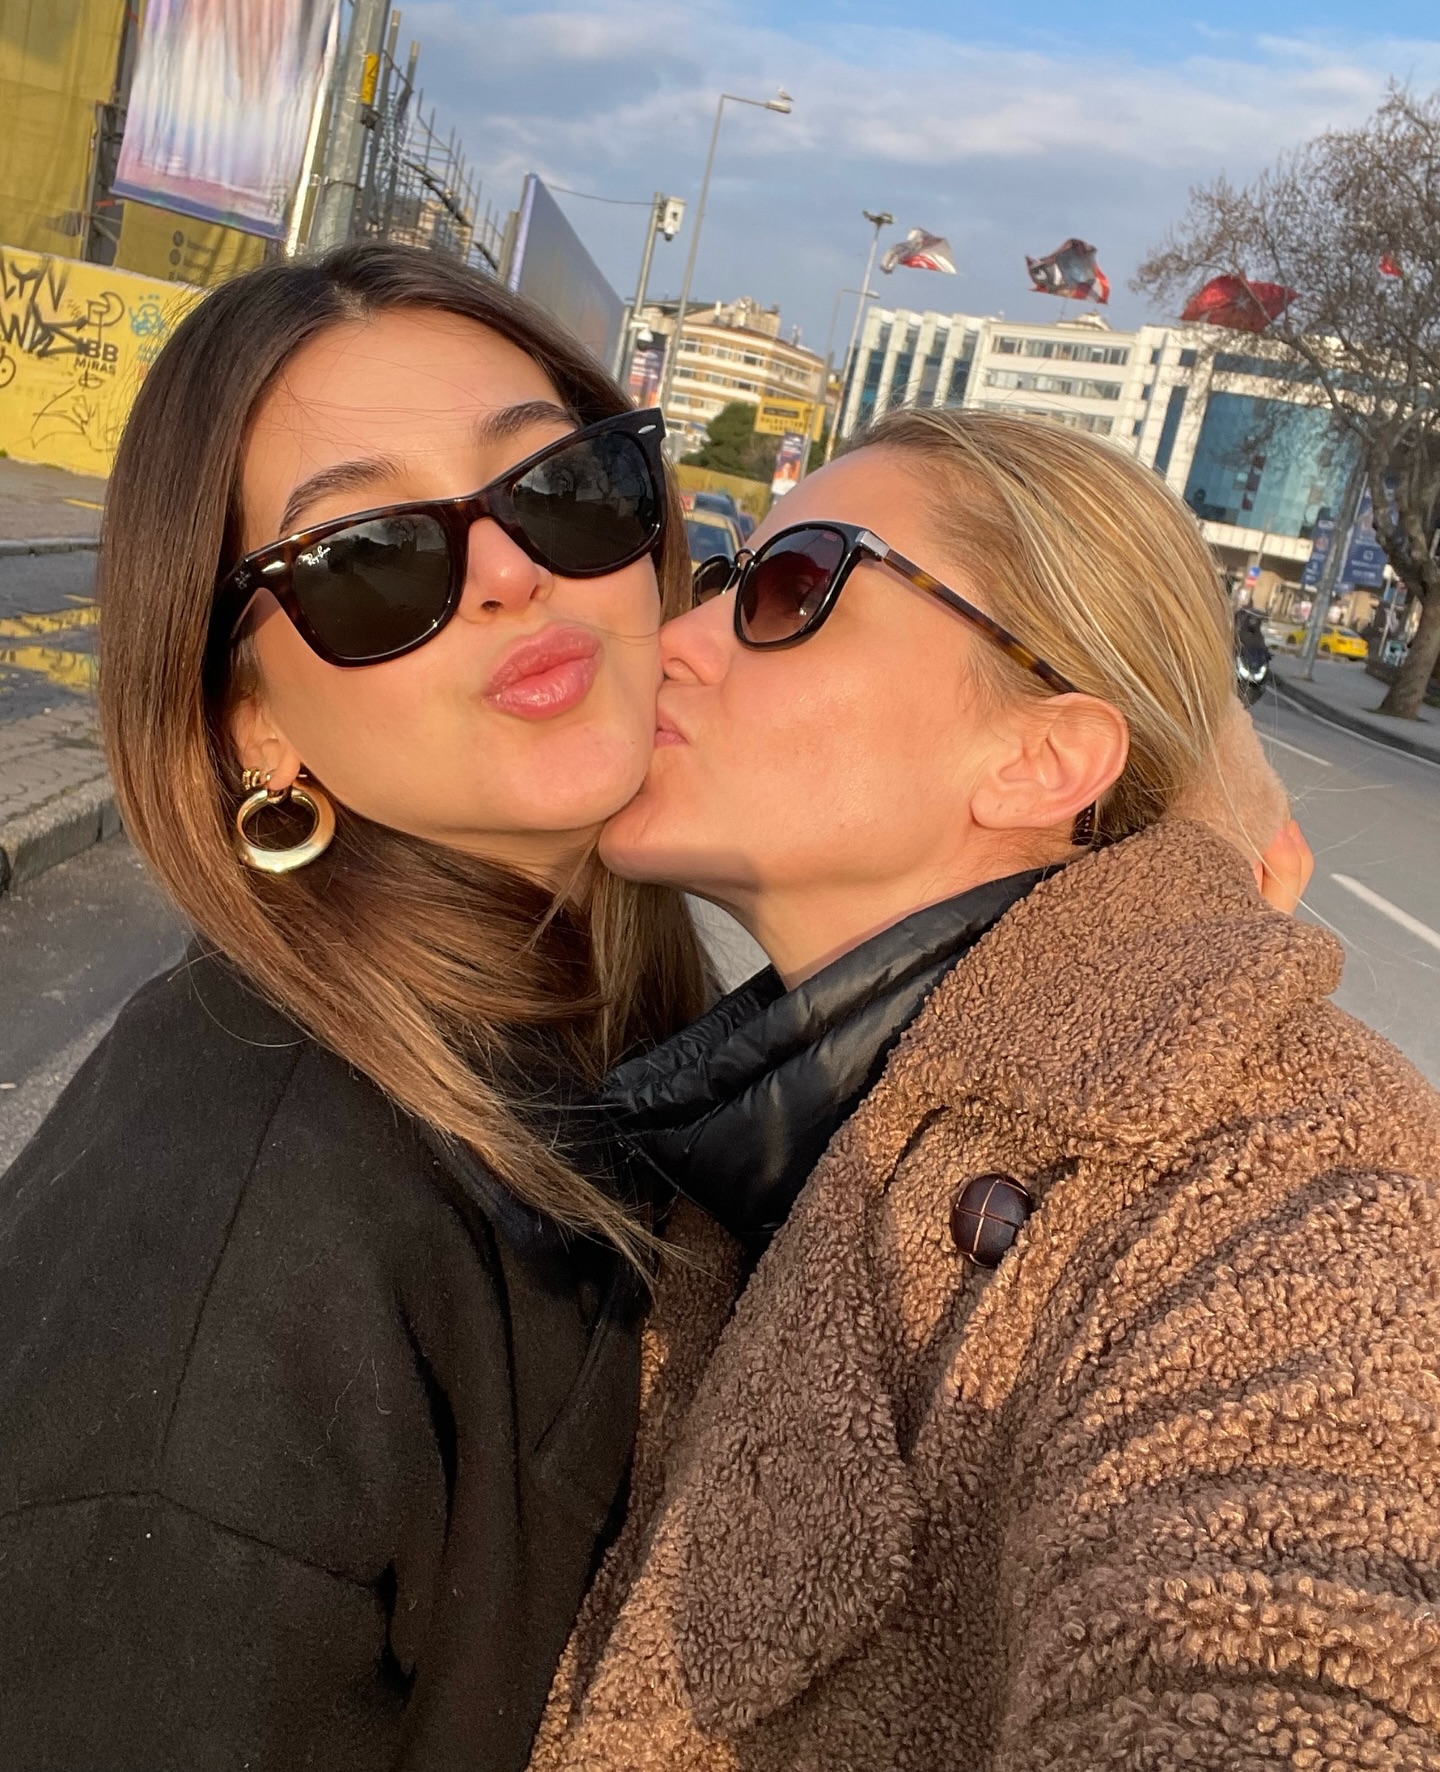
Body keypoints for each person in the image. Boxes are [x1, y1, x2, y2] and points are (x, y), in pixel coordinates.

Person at [529, 409, 1440, 1771]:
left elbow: (1293, 1637)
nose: (674, 639)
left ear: (1039, 760)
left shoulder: (1294, 1158)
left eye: (791, 589)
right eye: (721, 579)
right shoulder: (754, 1122)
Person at [0, 245, 711, 1772]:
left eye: (562, 487)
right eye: (372, 556)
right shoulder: (222, 1284)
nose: (511, 571)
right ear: (251, 720)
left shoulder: (612, 1041)